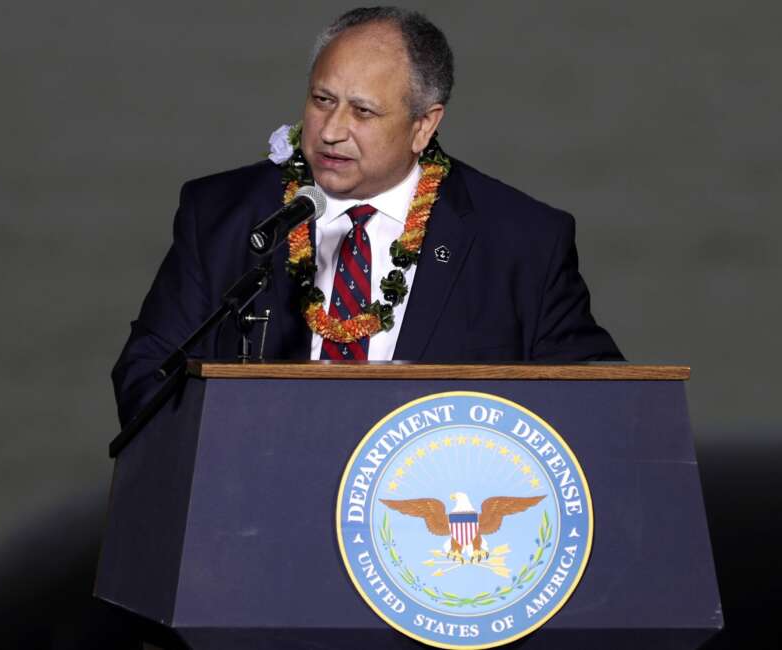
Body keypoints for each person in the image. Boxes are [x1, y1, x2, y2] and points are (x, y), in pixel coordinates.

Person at [112, 7, 622, 426]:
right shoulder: (224, 216)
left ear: (424, 126)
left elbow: (600, 405)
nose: (332, 130)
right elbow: (145, 374)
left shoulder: (521, 242)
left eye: (362, 112)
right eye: (322, 100)